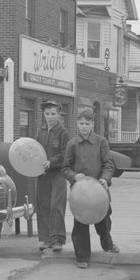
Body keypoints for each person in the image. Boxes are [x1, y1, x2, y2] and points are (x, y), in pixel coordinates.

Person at [62, 108, 119, 269]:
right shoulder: (72, 144)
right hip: (80, 193)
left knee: (104, 220)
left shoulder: (101, 142)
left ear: (93, 124)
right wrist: (73, 176)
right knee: (80, 225)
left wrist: (105, 178)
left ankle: (107, 244)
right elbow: (65, 168)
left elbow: (108, 164)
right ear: (77, 124)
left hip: (100, 191)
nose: (84, 127)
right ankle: (82, 256)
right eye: (81, 123)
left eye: (87, 123)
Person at [34, 100, 70, 252]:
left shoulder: (63, 133)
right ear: (43, 114)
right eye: (47, 114)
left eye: (53, 114)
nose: (50, 117)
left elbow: (65, 155)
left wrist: (51, 162)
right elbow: (34, 151)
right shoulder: (40, 132)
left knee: (56, 206)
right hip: (42, 175)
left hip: (58, 175)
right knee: (43, 206)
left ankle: (57, 240)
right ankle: (46, 239)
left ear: (59, 114)